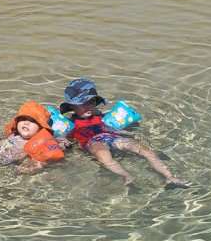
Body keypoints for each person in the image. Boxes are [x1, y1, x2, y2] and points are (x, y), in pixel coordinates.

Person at [59, 78, 189, 188]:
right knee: (103, 155)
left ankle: (170, 177)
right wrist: (64, 143)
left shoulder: (102, 116)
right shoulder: (69, 124)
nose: (88, 106)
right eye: (83, 103)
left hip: (112, 137)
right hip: (92, 142)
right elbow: (65, 140)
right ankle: (127, 176)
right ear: (72, 106)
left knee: (143, 149)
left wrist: (130, 133)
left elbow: (114, 128)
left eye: (91, 101)